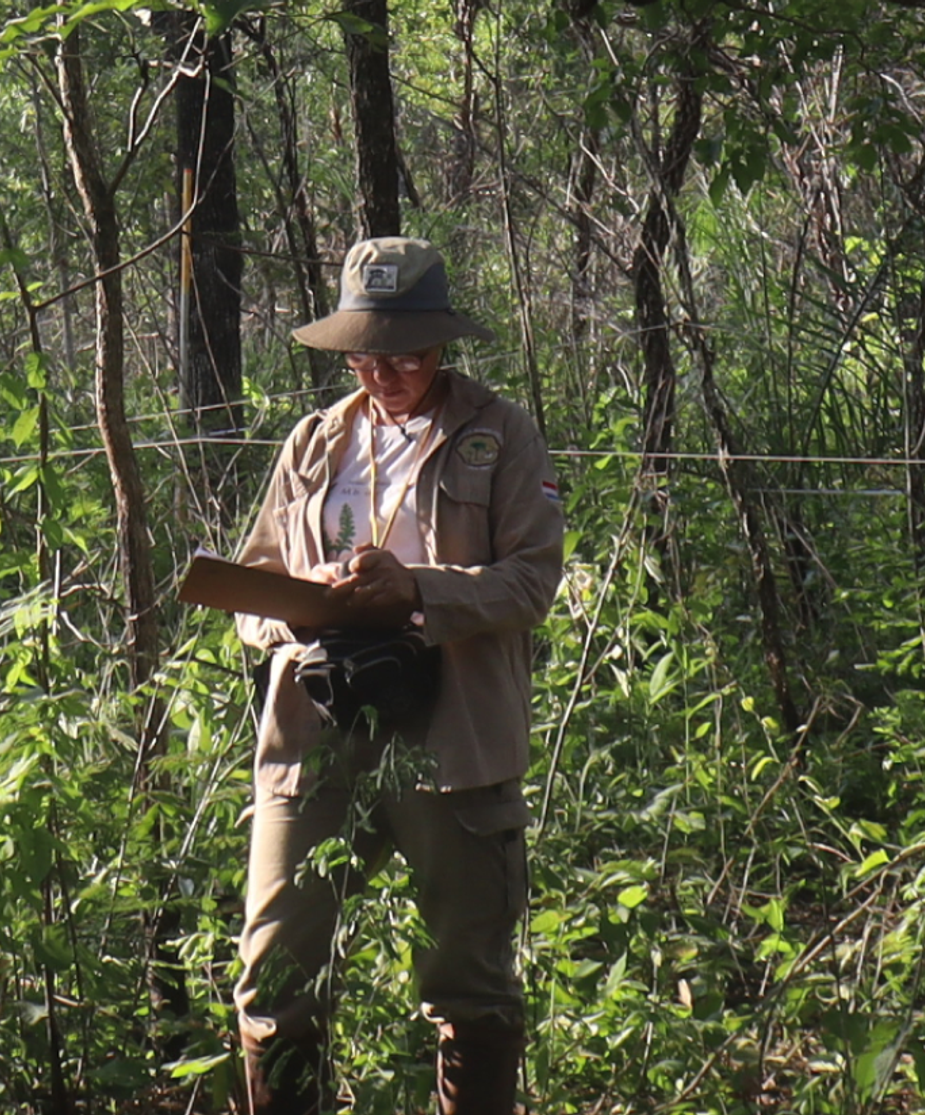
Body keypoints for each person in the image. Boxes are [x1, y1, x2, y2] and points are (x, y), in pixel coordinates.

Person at [222, 236, 564, 1115]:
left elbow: (532, 580)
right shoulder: (314, 443)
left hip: (452, 738)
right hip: (319, 731)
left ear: (443, 345)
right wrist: (301, 607)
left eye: (409, 352)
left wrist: (419, 590)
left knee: (470, 981)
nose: (388, 371)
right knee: (274, 974)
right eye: (370, 353)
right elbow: (251, 592)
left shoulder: (498, 434)